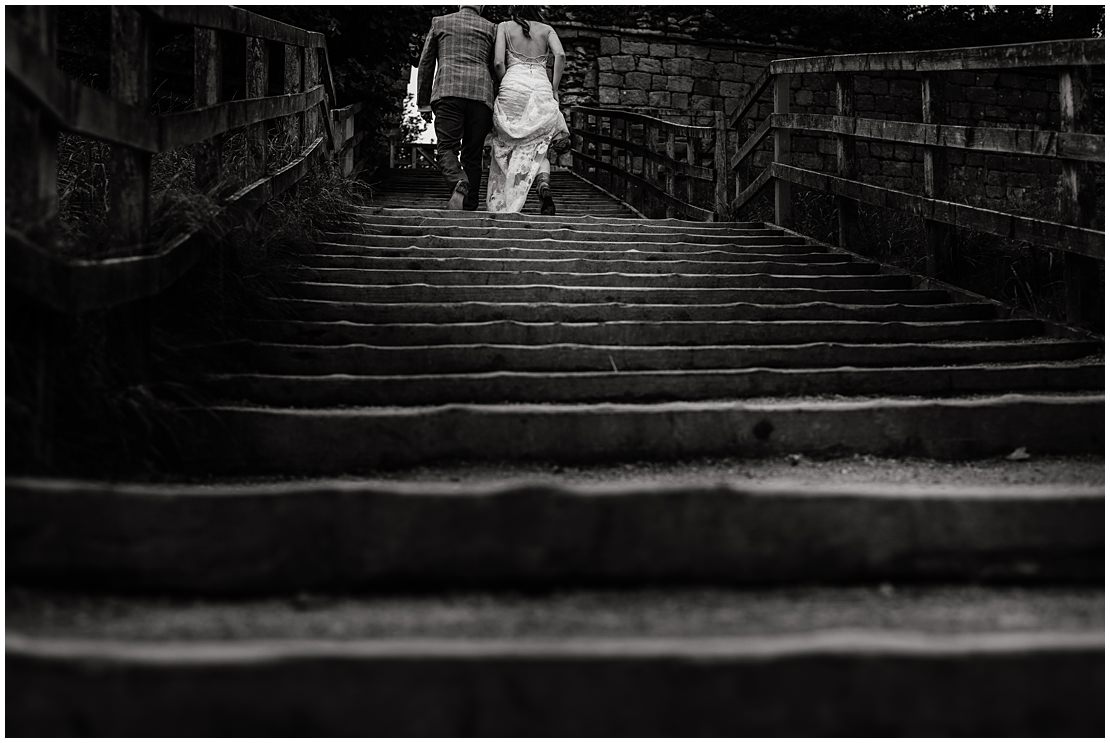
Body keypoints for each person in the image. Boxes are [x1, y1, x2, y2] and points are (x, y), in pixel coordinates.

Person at [486, 6, 570, 215]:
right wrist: (555, 88)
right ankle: (543, 185)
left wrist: (507, 81)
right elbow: (560, 54)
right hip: (541, 88)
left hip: (513, 86)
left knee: (507, 145)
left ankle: (505, 200)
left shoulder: (504, 26)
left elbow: (498, 63)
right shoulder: (547, 29)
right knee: (539, 146)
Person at [416, 5, 496, 211]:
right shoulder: (491, 28)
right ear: (482, 6)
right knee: (473, 152)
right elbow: (497, 65)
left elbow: (426, 63)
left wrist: (423, 102)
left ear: (460, 4)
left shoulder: (440, 22)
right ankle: (469, 204)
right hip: (481, 95)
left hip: (448, 91)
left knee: (447, 147)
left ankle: (458, 180)